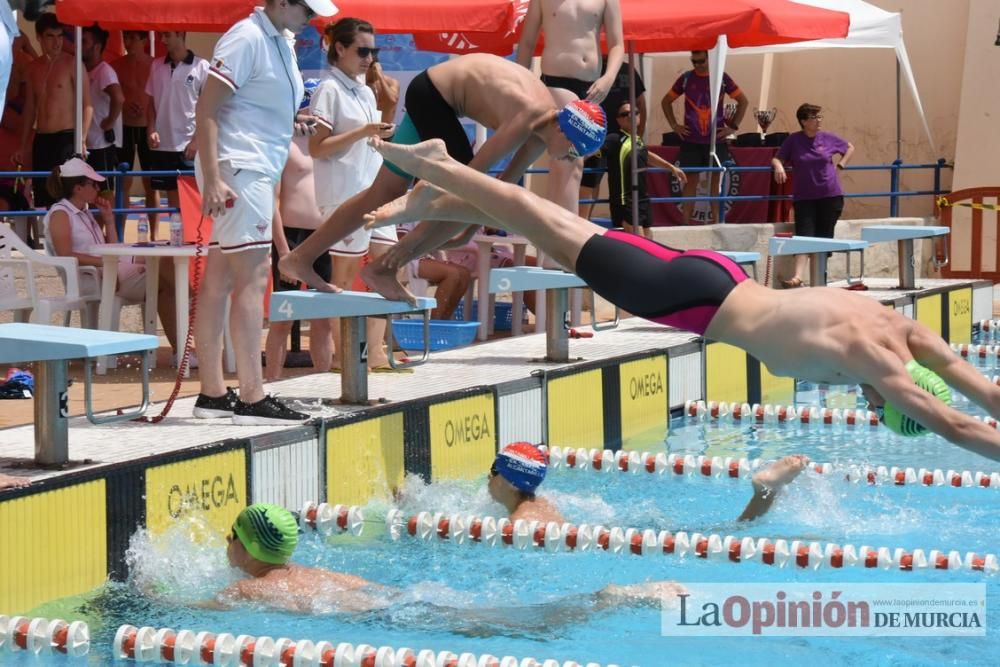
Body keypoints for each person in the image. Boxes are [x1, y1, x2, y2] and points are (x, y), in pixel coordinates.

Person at [362, 138, 1000, 463]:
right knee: (543, 221)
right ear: (899, 395)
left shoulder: (903, 331)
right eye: (880, 407)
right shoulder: (878, 363)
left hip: (718, 276)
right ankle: (440, 167)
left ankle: (436, 199)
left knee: (549, 229)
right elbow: (964, 424)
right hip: (685, 301)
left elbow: (986, 396)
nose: (867, 401)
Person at [279, 52, 608, 304]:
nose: (568, 160)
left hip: (432, 94)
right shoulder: (530, 115)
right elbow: (471, 178)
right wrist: (456, 229)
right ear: (566, 133)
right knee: (466, 194)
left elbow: (504, 189)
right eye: (573, 152)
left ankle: (300, 257)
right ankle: (384, 268)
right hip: (433, 97)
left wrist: (468, 227)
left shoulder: (544, 129)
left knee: (377, 194)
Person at [192, 0, 337, 425]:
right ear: (280, 2)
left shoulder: (280, 41)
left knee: (219, 279)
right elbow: (207, 109)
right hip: (240, 169)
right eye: (307, 7)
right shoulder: (247, 37)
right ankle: (252, 397)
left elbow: (252, 107)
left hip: (247, 166)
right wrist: (216, 174)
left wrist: (294, 120)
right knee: (255, 278)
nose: (314, 16)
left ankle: (213, 394)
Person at [217, 502, 685, 615]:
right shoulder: (311, 571)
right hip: (399, 602)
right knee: (496, 615)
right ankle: (605, 598)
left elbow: (192, 611)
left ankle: (608, 598)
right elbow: (370, 589)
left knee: (515, 621)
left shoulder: (246, 589)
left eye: (230, 535)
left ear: (247, 545)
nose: (225, 544)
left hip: (393, 619)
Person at [309, 18, 399, 372]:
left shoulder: (363, 89)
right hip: (343, 194)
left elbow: (369, 140)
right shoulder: (327, 90)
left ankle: (374, 353)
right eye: (363, 51)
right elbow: (316, 148)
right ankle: (346, 356)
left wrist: (379, 133)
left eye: (374, 51)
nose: (370, 58)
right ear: (340, 49)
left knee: (388, 267)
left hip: (370, 191)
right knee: (343, 279)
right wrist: (362, 131)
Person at [489, 441, 808, 524]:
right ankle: (766, 492)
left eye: (493, 469)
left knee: (736, 534)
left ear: (511, 481)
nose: (487, 477)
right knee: (731, 533)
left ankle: (764, 492)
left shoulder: (521, 522)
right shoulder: (542, 504)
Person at [42, 157, 177, 349]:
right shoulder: (61, 214)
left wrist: (109, 220)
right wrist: (106, 263)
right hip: (93, 279)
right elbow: (66, 254)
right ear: (78, 188)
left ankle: (182, 348)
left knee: (168, 272)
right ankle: (181, 350)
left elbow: (112, 248)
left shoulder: (84, 212)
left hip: (108, 273)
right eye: (93, 184)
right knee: (168, 285)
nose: (99, 188)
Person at [516, 0, 624, 221]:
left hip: (592, 90)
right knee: (571, 162)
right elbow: (527, 42)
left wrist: (608, 78)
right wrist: (520, 86)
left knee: (562, 168)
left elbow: (617, 44)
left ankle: (550, 245)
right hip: (556, 83)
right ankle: (568, 242)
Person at [264, 133, 334, 381]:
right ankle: (272, 383)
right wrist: (283, 251)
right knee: (283, 319)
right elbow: (271, 202)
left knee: (323, 319)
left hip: (324, 237)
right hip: (292, 238)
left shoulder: (330, 142)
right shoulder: (284, 142)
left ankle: (322, 381)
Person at [660, 50, 748, 225]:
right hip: (691, 140)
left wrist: (732, 127)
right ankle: (685, 225)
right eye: (694, 61)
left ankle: (716, 223)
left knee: (716, 183)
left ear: (709, 59)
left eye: (701, 61)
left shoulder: (721, 77)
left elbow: (743, 101)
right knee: (689, 182)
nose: (697, 65)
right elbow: (665, 101)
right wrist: (674, 126)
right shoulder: (686, 78)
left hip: (716, 140)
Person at [771, 103, 854, 288]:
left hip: (830, 196)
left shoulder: (827, 138)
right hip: (804, 197)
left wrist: (842, 164)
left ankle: (819, 280)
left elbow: (849, 147)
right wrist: (779, 166)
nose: (818, 121)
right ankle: (797, 278)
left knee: (823, 238)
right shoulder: (794, 140)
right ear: (803, 121)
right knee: (804, 236)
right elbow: (778, 157)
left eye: (819, 117)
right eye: (814, 118)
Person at [15, 12, 92, 209]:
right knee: (44, 196)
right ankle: (49, 238)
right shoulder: (33, 68)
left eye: (60, 36)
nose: (57, 42)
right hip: (42, 138)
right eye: (51, 36)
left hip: (67, 138)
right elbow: (30, 109)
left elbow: (87, 104)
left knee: (68, 196)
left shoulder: (72, 64)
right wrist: (23, 145)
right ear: (39, 38)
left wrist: (82, 140)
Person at [145, 31, 209, 227]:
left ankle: (196, 243)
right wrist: (151, 129)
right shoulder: (156, 65)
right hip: (163, 144)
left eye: (167, 35)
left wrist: (197, 140)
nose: (162, 40)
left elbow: (209, 106)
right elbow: (150, 101)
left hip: (188, 144)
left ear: (181, 35)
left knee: (193, 196)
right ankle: (179, 240)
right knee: (172, 199)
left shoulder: (201, 66)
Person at [605, 100, 687, 237]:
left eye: (635, 112)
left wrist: (671, 167)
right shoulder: (614, 139)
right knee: (642, 247)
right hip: (626, 202)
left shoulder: (637, 140)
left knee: (648, 243)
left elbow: (646, 154)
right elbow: (591, 152)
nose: (630, 115)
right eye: (625, 114)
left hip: (643, 200)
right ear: (618, 120)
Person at [580, 58, 646, 220]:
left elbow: (641, 104)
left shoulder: (628, 70)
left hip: (622, 138)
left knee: (622, 185)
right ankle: (583, 223)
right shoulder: (587, 69)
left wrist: (638, 135)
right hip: (595, 136)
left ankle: (622, 222)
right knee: (590, 181)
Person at [111, 31, 158, 234]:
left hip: (149, 127)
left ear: (144, 40)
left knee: (151, 182)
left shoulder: (156, 65)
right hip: (125, 127)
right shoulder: (116, 66)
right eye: (126, 38)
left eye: (132, 38)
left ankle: (155, 233)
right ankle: (121, 231)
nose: (128, 42)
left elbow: (158, 95)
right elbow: (111, 98)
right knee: (124, 181)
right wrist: (124, 107)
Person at [81, 24, 123, 190]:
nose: (79, 45)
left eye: (84, 41)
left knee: (103, 190)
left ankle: (109, 217)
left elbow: (119, 98)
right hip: (86, 143)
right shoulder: (83, 69)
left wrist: (110, 122)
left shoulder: (104, 71)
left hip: (100, 144)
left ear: (97, 47)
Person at [365, 60, 398, 126]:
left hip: (385, 131)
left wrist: (380, 76)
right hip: (365, 131)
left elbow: (392, 101)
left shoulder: (391, 82)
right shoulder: (357, 84)